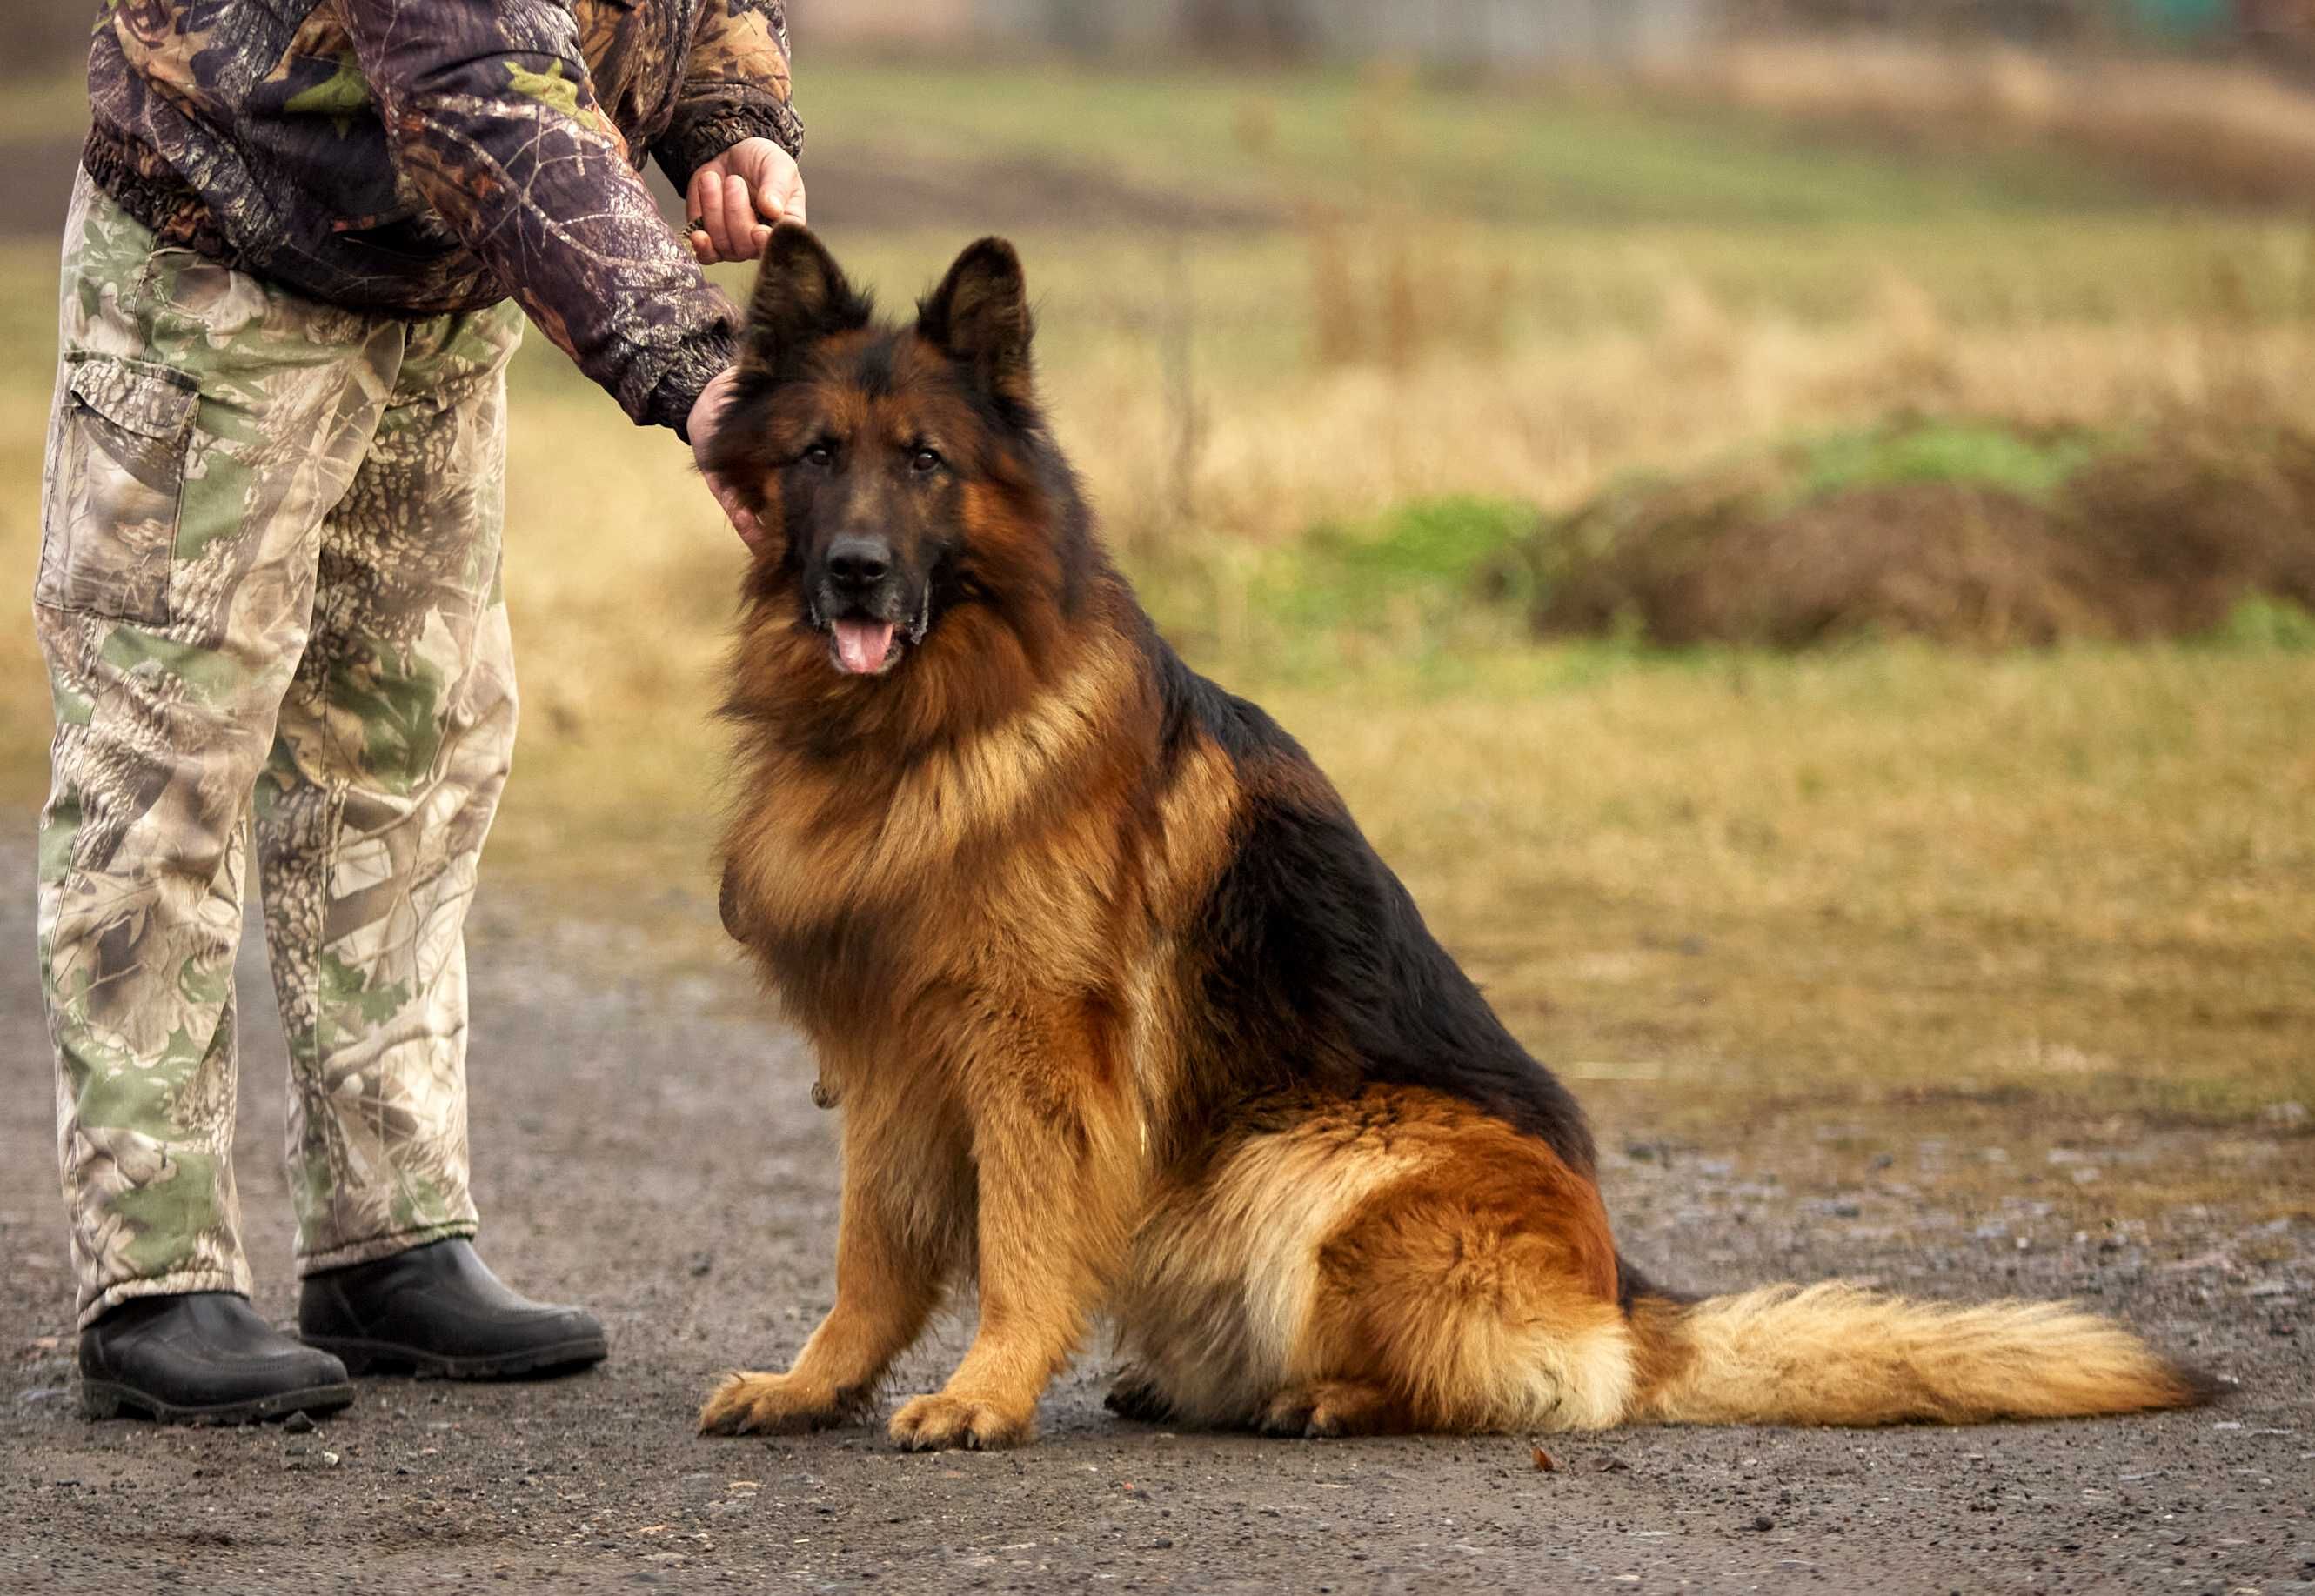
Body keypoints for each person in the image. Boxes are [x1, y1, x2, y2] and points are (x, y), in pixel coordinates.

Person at [40, 0, 802, 1424]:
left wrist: (728, 123)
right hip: (220, 259)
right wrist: (695, 369)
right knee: (169, 761)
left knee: (416, 752)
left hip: (442, 295)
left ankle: (387, 1239)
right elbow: (472, 81)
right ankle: (153, 1271)